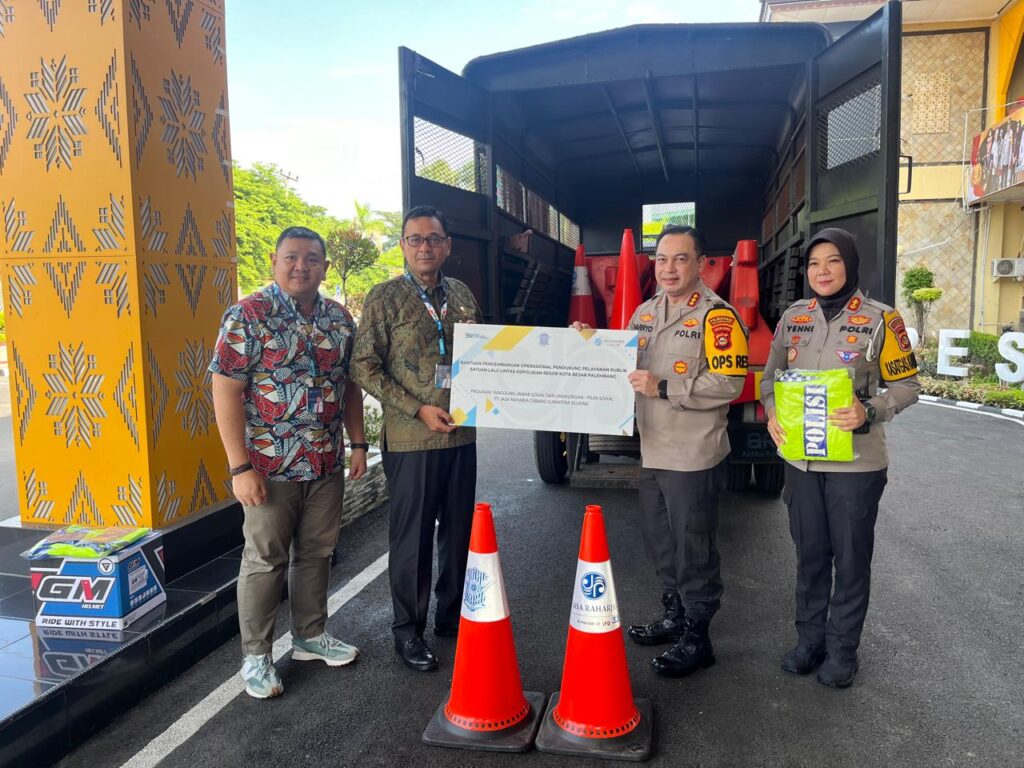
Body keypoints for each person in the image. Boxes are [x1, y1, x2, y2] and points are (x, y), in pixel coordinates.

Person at [210, 226, 368, 699]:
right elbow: (225, 389)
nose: (302, 266)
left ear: (324, 265)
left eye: (312, 258)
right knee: (265, 560)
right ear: (274, 261)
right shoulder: (248, 315)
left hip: (324, 462)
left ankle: (309, 636)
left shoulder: (339, 319)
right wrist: (240, 468)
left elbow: (350, 387)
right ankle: (256, 656)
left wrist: (358, 444)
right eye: (292, 257)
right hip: (268, 468)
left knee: (317, 552)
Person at [761, 227, 920, 688]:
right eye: (814, 263)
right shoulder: (794, 317)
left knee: (850, 560)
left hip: (857, 465)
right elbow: (770, 379)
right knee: (810, 555)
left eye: (832, 261)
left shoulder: (881, 320)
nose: (822, 271)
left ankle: (842, 650)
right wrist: (772, 412)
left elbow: (908, 386)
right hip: (801, 461)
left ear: (849, 264)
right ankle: (809, 641)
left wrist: (870, 409)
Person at [351, 205, 482, 672]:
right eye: (415, 239)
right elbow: (363, 365)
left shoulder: (462, 294)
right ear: (404, 246)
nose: (425, 247)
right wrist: (417, 408)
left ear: (447, 245)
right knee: (413, 539)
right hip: (412, 440)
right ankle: (408, 631)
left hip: (461, 436)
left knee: (459, 533)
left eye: (433, 238)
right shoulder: (385, 298)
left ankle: (451, 617)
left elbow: (487, 354)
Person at [620, 224, 748, 678]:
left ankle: (698, 635)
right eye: (661, 259)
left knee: (693, 546)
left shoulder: (718, 318)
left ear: (700, 264)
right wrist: (584, 342)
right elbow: (618, 361)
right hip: (652, 448)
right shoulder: (644, 312)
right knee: (660, 540)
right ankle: (674, 615)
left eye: (680, 259)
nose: (669, 268)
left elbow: (730, 383)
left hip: (693, 453)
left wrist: (664, 386)